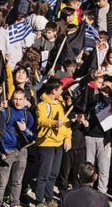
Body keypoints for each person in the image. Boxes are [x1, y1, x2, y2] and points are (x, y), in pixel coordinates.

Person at [0, 88, 34, 207]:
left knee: (17, 181)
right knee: (2, 182)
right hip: (8, 150)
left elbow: (33, 135)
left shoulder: (28, 115)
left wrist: (25, 129)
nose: (18, 102)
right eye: (15, 99)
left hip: (22, 150)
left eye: (20, 99)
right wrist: (2, 150)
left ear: (25, 100)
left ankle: (14, 203)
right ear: (11, 99)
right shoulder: (6, 112)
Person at [35, 79, 71, 207]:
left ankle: (49, 198)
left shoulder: (60, 104)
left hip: (59, 144)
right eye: (60, 89)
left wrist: (68, 138)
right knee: (44, 174)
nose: (62, 91)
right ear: (53, 90)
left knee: (53, 174)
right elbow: (41, 120)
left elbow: (66, 124)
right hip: (46, 143)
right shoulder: (42, 105)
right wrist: (54, 123)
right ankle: (39, 201)